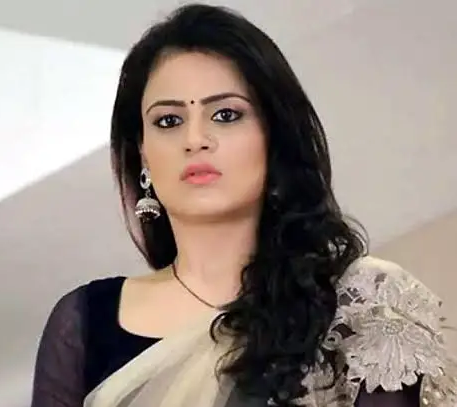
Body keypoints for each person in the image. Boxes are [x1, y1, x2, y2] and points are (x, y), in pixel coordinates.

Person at [31, 4, 456, 407]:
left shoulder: (361, 304)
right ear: (142, 153)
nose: (195, 139)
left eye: (226, 115)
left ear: (273, 138)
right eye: (169, 121)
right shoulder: (84, 323)